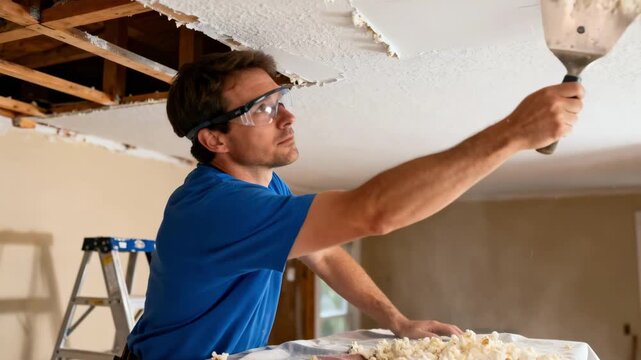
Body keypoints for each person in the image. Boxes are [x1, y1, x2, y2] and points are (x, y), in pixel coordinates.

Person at [125, 50, 583, 360]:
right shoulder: (215, 208)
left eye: (280, 99)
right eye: (263, 109)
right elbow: (374, 212)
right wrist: (513, 133)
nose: (288, 116)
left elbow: (322, 251)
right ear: (214, 138)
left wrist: (396, 321)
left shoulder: (268, 189)